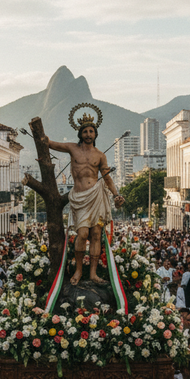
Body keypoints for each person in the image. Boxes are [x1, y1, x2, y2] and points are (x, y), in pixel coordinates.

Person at [42, 107, 125, 286]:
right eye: (85, 131)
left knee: (96, 234)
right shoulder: (72, 148)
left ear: (95, 134)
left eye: (91, 131)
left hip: (96, 195)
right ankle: (79, 270)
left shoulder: (100, 155)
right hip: (80, 198)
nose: (88, 134)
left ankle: (93, 274)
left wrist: (116, 195)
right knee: (82, 233)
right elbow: (51, 144)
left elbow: (107, 178)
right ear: (80, 133)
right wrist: (40, 135)